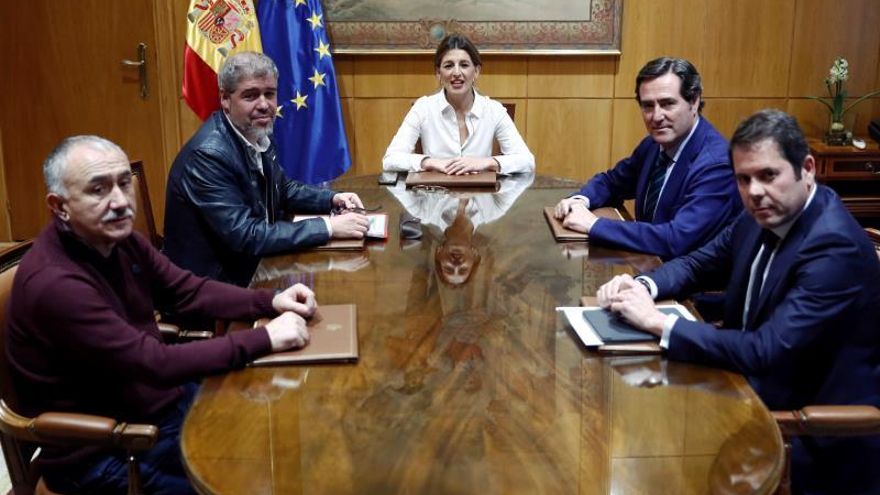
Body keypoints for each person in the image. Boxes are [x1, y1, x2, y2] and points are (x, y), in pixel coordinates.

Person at [7, 135, 321, 493]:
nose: (120, 202)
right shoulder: (55, 284)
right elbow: (153, 362)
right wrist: (265, 337)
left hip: (155, 405)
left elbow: (188, 290)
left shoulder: (119, 240)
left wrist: (271, 301)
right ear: (59, 206)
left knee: (276, 438)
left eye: (125, 183)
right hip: (107, 450)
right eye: (98, 189)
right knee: (246, 481)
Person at [596, 110, 880, 494]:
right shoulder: (761, 216)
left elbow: (766, 350)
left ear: (807, 168)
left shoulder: (834, 247)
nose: (755, 191)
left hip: (806, 435)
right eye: (743, 179)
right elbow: (700, 263)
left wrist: (660, 323)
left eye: (768, 175)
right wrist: (643, 285)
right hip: (739, 389)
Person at [165, 51, 369, 287]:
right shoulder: (208, 156)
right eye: (250, 96)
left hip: (251, 268)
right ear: (225, 99)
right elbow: (246, 236)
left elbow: (281, 189)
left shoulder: (254, 133)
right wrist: (328, 227)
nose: (264, 105)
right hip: (213, 288)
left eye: (269, 94)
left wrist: (331, 199)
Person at [553, 57, 740, 259]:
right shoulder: (653, 145)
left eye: (667, 104)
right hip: (646, 264)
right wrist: (581, 201)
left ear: (694, 102)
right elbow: (612, 182)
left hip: (691, 285)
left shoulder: (717, 164)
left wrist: (594, 225)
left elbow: (676, 239)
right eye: (648, 106)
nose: (656, 116)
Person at [382, 33, 535, 176]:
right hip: (435, 198)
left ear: (476, 71)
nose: (456, 72)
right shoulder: (423, 108)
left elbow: (527, 161)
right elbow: (390, 159)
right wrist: (430, 162)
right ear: (438, 73)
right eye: (448, 65)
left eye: (464, 65)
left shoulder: (494, 110)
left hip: (481, 200)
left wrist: (486, 163)